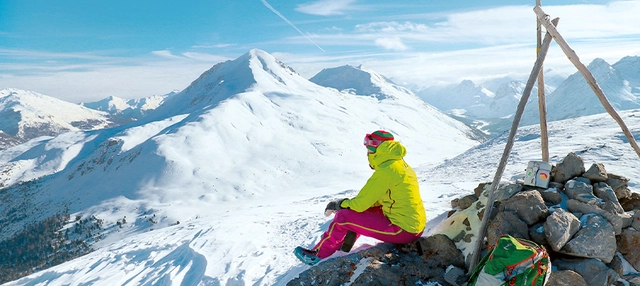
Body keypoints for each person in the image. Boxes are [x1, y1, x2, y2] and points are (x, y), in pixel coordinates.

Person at [294, 130, 427, 266]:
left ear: (377, 149)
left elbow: (361, 204)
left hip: (402, 230)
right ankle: (343, 248)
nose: (367, 152)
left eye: (370, 146)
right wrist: (351, 205)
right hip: (412, 225)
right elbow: (379, 199)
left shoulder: (386, 171)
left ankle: (319, 255)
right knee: (356, 213)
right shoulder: (399, 165)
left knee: (343, 217)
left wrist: (341, 204)